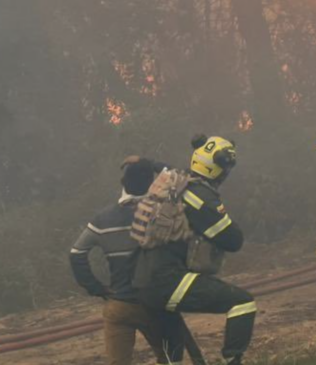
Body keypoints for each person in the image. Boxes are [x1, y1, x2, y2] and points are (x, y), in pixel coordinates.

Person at [132, 135, 255, 365]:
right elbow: (233, 240)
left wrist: (144, 160)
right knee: (242, 303)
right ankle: (232, 360)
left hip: (143, 284)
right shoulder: (201, 198)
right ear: (218, 168)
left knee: (172, 359)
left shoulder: (175, 180)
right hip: (169, 283)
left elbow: (163, 166)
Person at [69, 158, 188, 365]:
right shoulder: (162, 213)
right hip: (156, 304)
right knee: (170, 359)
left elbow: (76, 253)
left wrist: (96, 288)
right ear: (152, 183)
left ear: (122, 183)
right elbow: (182, 179)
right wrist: (150, 162)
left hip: (119, 306)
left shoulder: (102, 219)